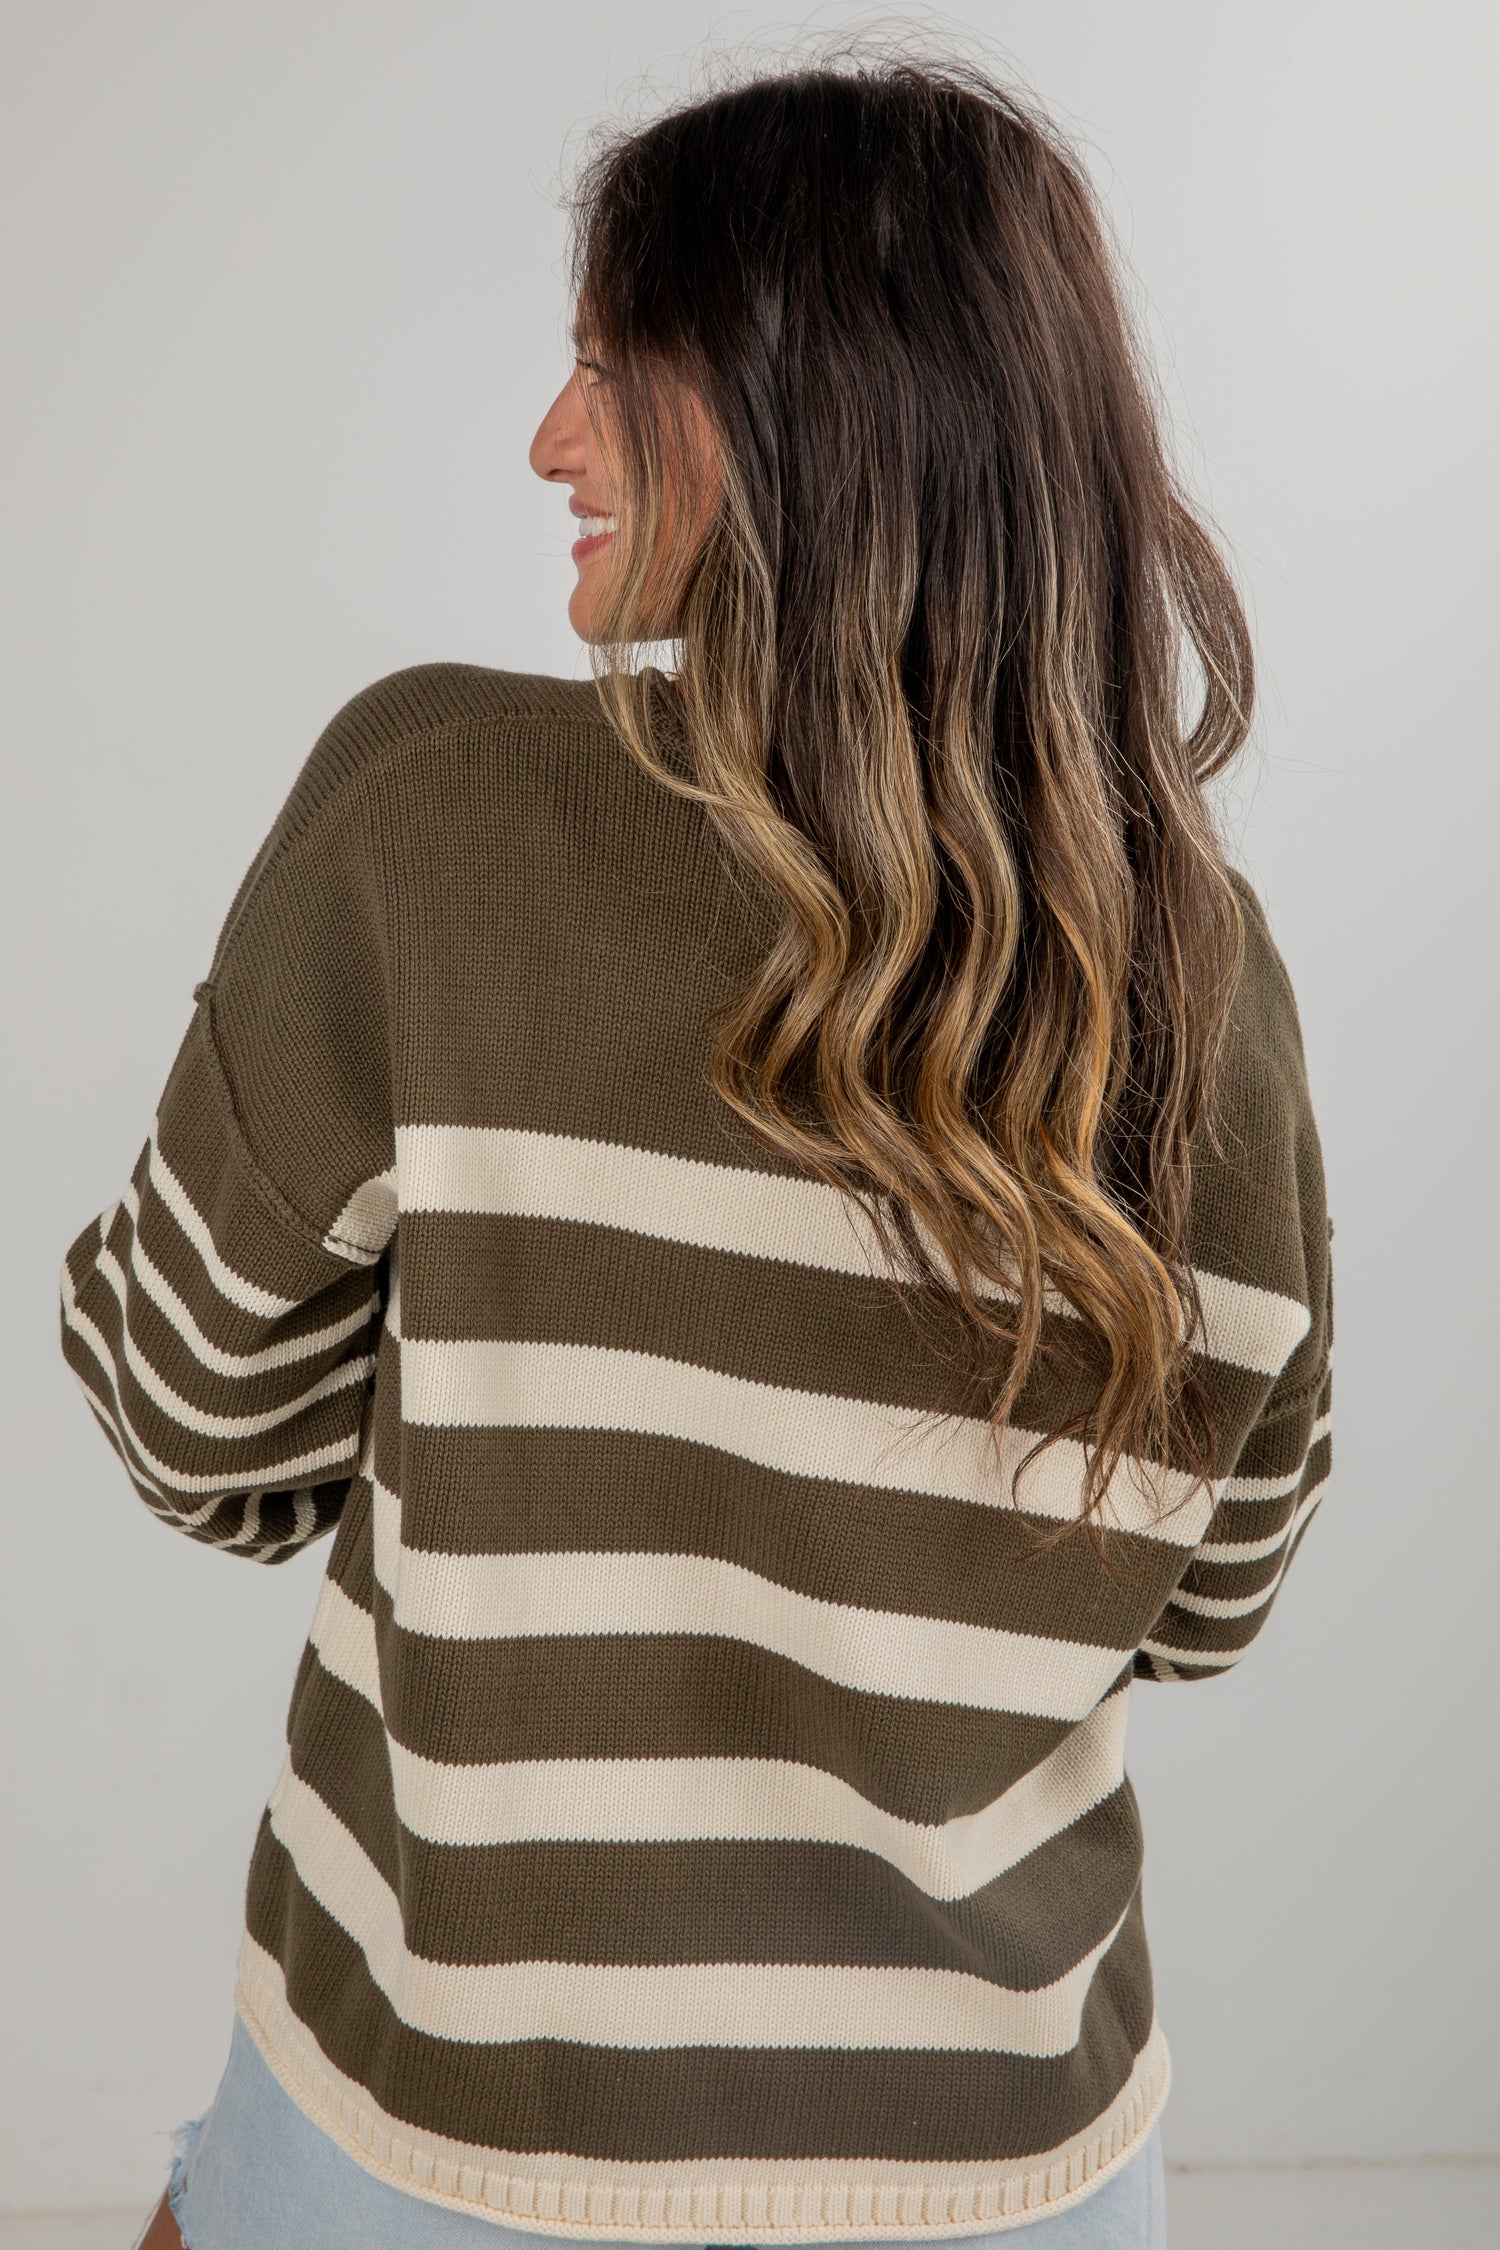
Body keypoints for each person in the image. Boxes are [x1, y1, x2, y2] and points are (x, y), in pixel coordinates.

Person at [62, 52, 1332, 2250]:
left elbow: (186, 1420)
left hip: (456, 2140)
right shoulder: (1210, 973)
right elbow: (1210, 1600)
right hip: (1013, 2172)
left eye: (600, 373)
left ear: (796, 406)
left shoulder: (429, 810)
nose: (548, 443)